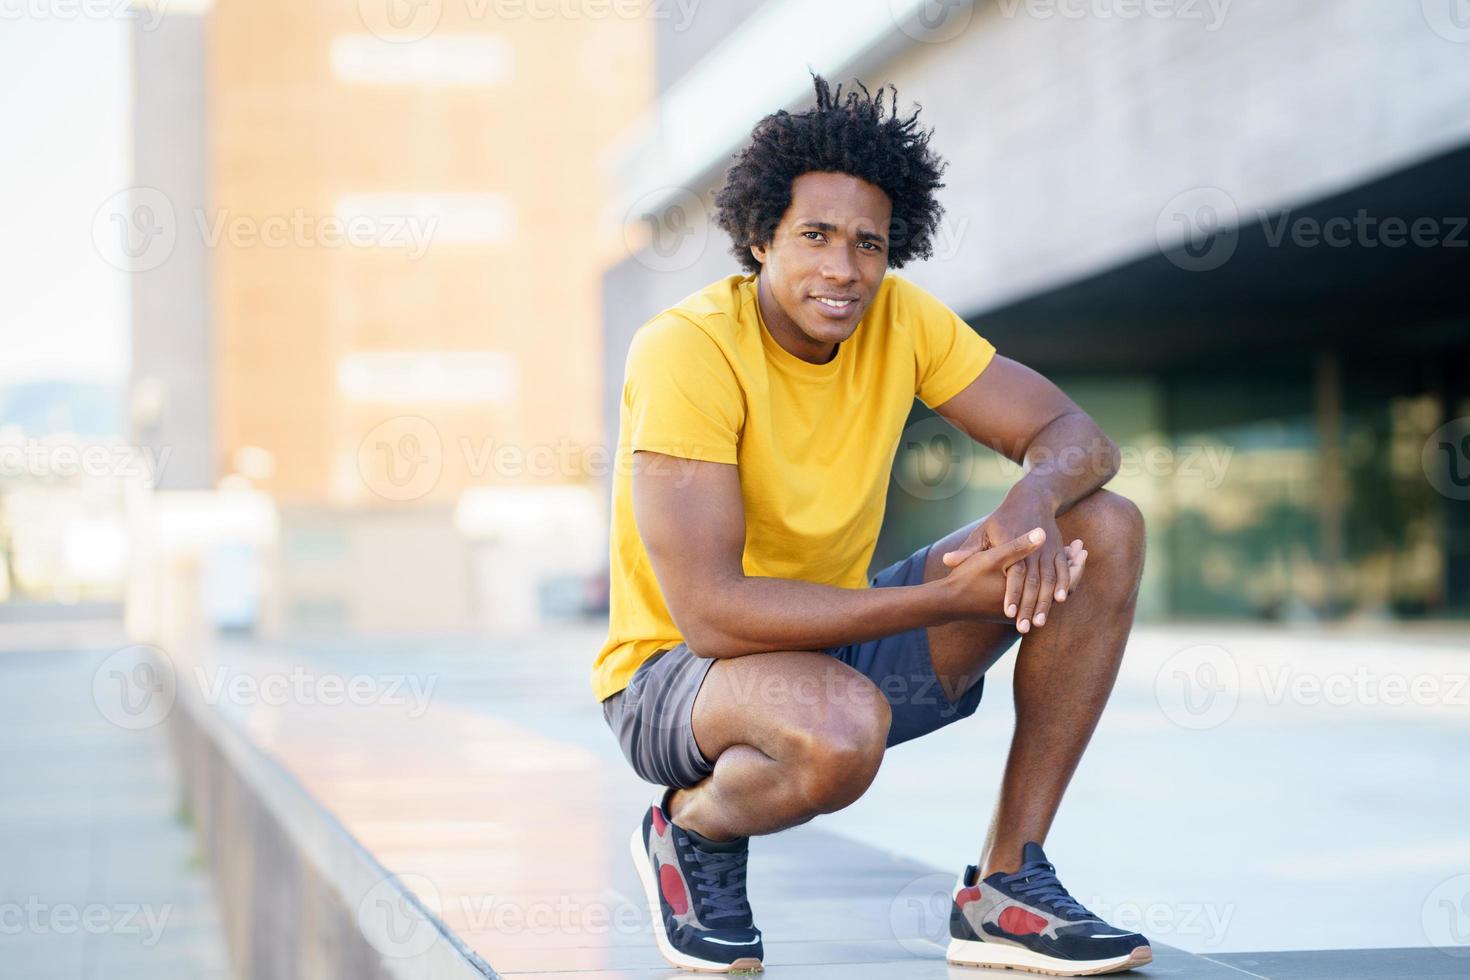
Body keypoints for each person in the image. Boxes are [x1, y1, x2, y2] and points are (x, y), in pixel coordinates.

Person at [593, 74, 1152, 976]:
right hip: (677, 676)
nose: (843, 271)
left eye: (869, 245)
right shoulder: (686, 350)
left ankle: (1006, 885)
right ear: (759, 236)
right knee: (841, 737)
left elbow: (1075, 437)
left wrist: (1031, 502)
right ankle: (689, 827)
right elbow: (712, 615)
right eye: (814, 236)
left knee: (1105, 528)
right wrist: (939, 599)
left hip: (832, 637)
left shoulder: (901, 321)